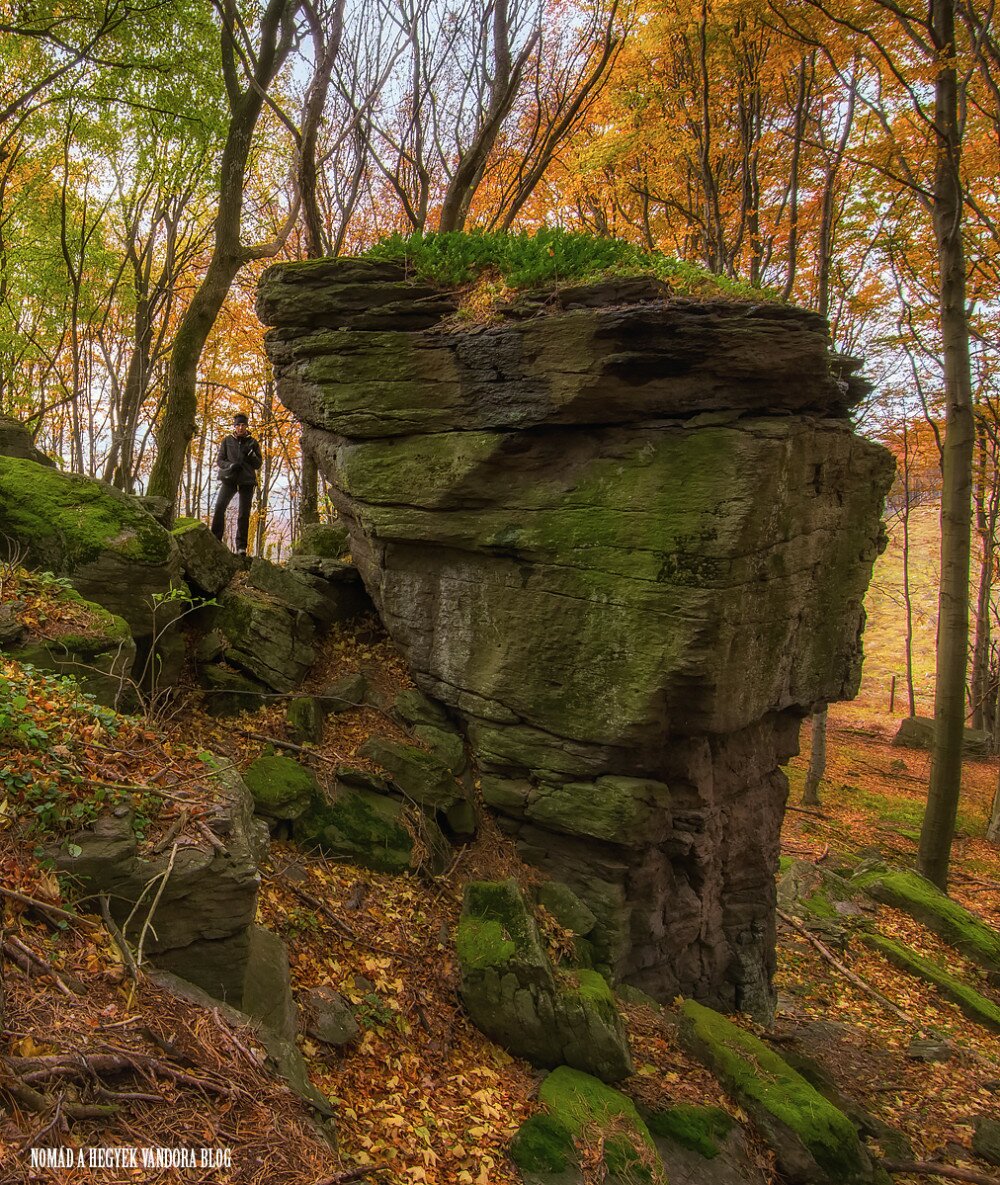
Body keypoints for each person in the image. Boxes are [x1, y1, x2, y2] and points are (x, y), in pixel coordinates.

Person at [211, 413, 262, 555]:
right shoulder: (227, 441)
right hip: (229, 480)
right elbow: (220, 461)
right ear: (234, 426)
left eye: (243, 425)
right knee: (220, 507)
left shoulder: (253, 442)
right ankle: (215, 539)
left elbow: (258, 464)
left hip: (247, 482)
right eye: (238, 425)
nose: (240, 428)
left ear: (246, 426)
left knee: (243, 514)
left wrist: (251, 453)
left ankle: (241, 548)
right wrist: (231, 466)